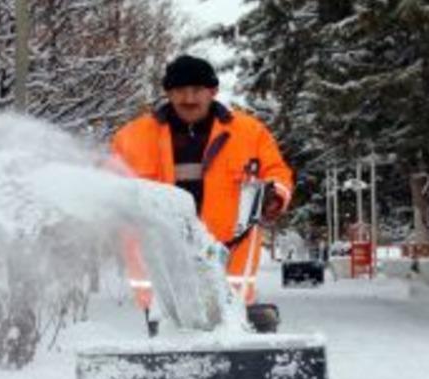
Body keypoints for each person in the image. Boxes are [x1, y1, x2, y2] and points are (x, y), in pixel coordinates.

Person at [111, 54, 294, 317]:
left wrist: (274, 195)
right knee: (169, 327)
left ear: (213, 92)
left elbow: (277, 172)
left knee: (229, 324)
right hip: (160, 259)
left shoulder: (249, 133)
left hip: (231, 253)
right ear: (168, 93)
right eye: (180, 91)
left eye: (197, 90)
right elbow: (111, 184)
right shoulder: (132, 137)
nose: (189, 98)